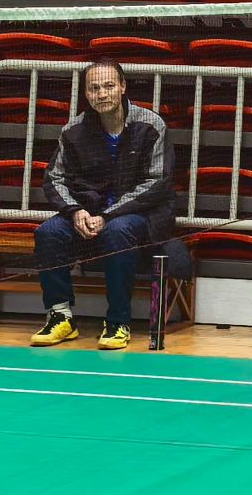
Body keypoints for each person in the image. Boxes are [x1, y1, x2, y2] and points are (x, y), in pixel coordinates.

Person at [32, 59, 175, 351]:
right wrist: (75, 211)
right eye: (94, 88)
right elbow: (55, 179)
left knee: (117, 231)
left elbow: (157, 182)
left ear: (122, 87)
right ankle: (60, 316)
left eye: (109, 86)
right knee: (48, 232)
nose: (102, 94)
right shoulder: (73, 130)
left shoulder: (151, 125)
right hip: (88, 214)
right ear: (86, 93)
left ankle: (118, 321)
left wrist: (108, 215)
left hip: (140, 216)